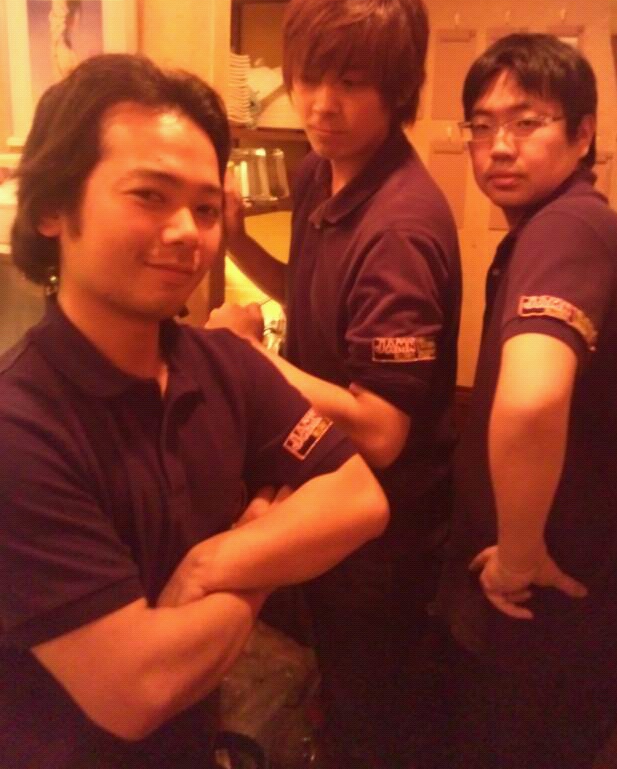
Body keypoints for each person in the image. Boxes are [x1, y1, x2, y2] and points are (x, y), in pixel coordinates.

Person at [0, 53, 390, 769]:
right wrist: (262, 557)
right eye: (150, 196)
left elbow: (360, 497)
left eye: (207, 209)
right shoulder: (20, 427)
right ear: (53, 208)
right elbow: (137, 689)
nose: (187, 231)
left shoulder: (221, 364)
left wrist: (218, 560)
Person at [210, 0, 462, 769]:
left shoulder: (400, 229)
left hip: (385, 529)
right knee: (326, 692)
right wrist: (238, 242)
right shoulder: (323, 173)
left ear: (397, 90)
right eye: (310, 76)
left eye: (351, 83)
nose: (321, 103)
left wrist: (249, 358)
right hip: (331, 496)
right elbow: (321, 301)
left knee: (368, 713)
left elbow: (383, 429)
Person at [438, 33, 617, 769]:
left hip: (538, 611)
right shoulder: (572, 228)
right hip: (581, 603)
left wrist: (517, 557)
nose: (499, 145)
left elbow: (530, 402)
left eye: (527, 123)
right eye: (482, 125)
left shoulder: (566, 230)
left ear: (583, 135)